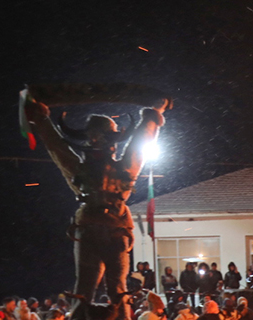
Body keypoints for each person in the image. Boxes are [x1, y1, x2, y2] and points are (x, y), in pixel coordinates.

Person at [22, 96, 166, 304]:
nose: (95, 141)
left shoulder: (120, 168)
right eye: (92, 137)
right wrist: (42, 120)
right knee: (87, 289)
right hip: (95, 229)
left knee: (114, 288)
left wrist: (153, 116)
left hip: (112, 228)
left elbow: (139, 145)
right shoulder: (84, 169)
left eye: (100, 137)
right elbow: (58, 149)